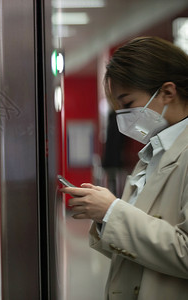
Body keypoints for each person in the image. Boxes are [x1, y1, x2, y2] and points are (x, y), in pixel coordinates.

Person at [61, 36, 188, 300]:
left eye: (128, 104)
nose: (124, 117)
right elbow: (136, 245)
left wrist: (112, 211)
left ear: (167, 92)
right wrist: (104, 216)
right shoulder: (152, 155)